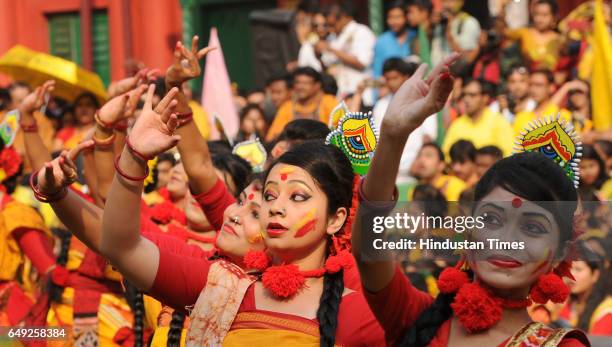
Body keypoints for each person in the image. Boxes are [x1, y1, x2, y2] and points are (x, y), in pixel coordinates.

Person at [352, 53, 590, 346]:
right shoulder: (419, 318)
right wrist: (393, 134)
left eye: (533, 228)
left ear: (558, 253)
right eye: (491, 219)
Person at [373, 58, 434, 181]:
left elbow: (428, 138)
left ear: (406, 77)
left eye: (394, 78)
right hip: (388, 173)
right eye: (387, 79)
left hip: (416, 173)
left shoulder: (423, 101)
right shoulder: (380, 105)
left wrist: (419, 164)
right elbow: (376, 139)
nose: (390, 83)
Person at [441, 78, 514, 157]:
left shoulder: (499, 122)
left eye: (472, 95)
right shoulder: (457, 124)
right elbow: (446, 155)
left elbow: (508, 155)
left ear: (485, 98)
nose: (466, 99)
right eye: (464, 95)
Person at [319, 2, 376, 102]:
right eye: (328, 25)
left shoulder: (362, 32)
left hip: (360, 94)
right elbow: (326, 63)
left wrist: (332, 50)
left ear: (344, 17)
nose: (330, 29)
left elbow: (362, 63)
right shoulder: (334, 37)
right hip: (341, 93)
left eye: (332, 24)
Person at [265, 67, 337, 141]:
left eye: (305, 83)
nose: (300, 87)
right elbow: (272, 137)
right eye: (297, 82)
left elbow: (338, 132)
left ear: (317, 85)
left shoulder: (329, 102)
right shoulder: (287, 106)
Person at [557, 242, 612, 335]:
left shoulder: (606, 311)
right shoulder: (567, 303)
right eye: (568, 269)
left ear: (595, 275)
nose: (571, 275)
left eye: (578, 269)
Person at [501, 0, 562, 70]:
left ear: (554, 17)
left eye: (544, 15)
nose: (539, 19)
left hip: (550, 78)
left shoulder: (559, 39)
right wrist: (503, 11)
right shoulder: (525, 33)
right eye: (536, 14)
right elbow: (504, 32)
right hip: (527, 76)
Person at [513, 69, 572, 137]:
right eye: (531, 85)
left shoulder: (562, 115)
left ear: (551, 87)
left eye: (539, 85)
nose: (533, 89)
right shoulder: (521, 117)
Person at [372, 1, 414, 79]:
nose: (394, 22)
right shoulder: (382, 41)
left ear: (406, 17)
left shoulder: (415, 37)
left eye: (398, 17)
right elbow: (377, 73)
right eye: (390, 17)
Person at [431, 0, 481, 66]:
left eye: (451, 1)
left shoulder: (469, 23)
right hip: (435, 72)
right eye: (444, 1)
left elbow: (466, 57)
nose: (446, 5)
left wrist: (449, 35)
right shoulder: (439, 22)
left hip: (453, 73)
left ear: (461, 2)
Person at [407, 0, 435, 66]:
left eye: (411, 12)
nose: (408, 16)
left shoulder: (436, 33)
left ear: (424, 13)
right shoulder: (416, 35)